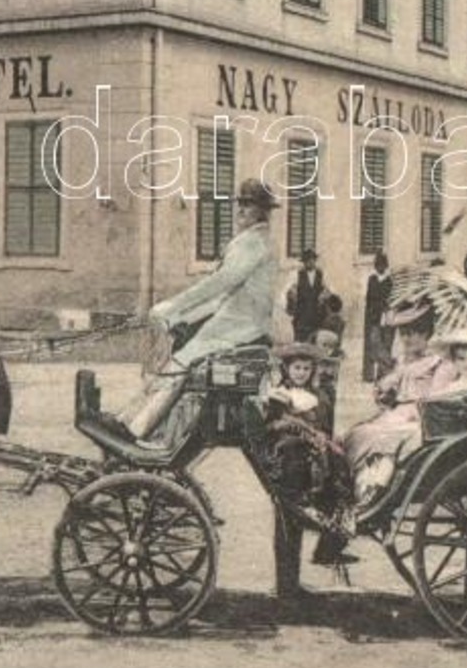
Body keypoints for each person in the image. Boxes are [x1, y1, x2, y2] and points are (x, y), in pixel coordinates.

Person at [119, 179, 281, 443]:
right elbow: (224, 296)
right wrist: (178, 316)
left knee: (178, 366)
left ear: (263, 211)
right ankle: (135, 424)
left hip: (239, 328)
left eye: (248, 205)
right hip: (235, 324)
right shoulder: (253, 241)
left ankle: (134, 430)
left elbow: (218, 285)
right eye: (240, 203)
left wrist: (173, 306)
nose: (240, 209)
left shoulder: (253, 243)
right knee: (176, 363)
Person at [258, 343, 357, 590]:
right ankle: (286, 585)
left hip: (313, 465)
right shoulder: (279, 395)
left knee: (325, 507)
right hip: (290, 466)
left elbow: (325, 429)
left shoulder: (319, 397)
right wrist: (296, 430)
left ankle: (325, 548)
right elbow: (270, 428)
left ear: (312, 371)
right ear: (287, 369)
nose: (300, 373)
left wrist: (323, 441)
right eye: (296, 368)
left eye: (305, 368)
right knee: (287, 524)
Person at [342, 301, 451, 502]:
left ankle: (373, 491)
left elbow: (437, 402)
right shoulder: (402, 361)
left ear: (427, 334)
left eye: (413, 333)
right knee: (357, 433)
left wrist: (412, 410)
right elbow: (393, 395)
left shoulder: (439, 364)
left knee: (378, 437)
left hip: (420, 420)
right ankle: (357, 486)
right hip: (397, 414)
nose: (407, 338)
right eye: (403, 333)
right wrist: (385, 396)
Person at [362, 253, 393, 382]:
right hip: (372, 316)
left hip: (385, 316)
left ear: (386, 266)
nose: (380, 267)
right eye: (377, 265)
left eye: (382, 265)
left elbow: (391, 300)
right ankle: (368, 374)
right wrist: (368, 315)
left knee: (385, 343)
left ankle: (383, 372)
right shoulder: (372, 279)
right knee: (371, 344)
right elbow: (368, 299)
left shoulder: (390, 281)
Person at [286, 249, 328, 343]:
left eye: (311, 260)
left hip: (316, 313)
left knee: (315, 338)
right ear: (304, 262)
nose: (309, 262)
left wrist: (323, 296)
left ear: (314, 260)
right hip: (302, 313)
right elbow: (291, 289)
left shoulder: (320, 274)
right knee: (301, 339)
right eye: (307, 260)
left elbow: (327, 289)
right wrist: (293, 294)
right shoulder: (297, 274)